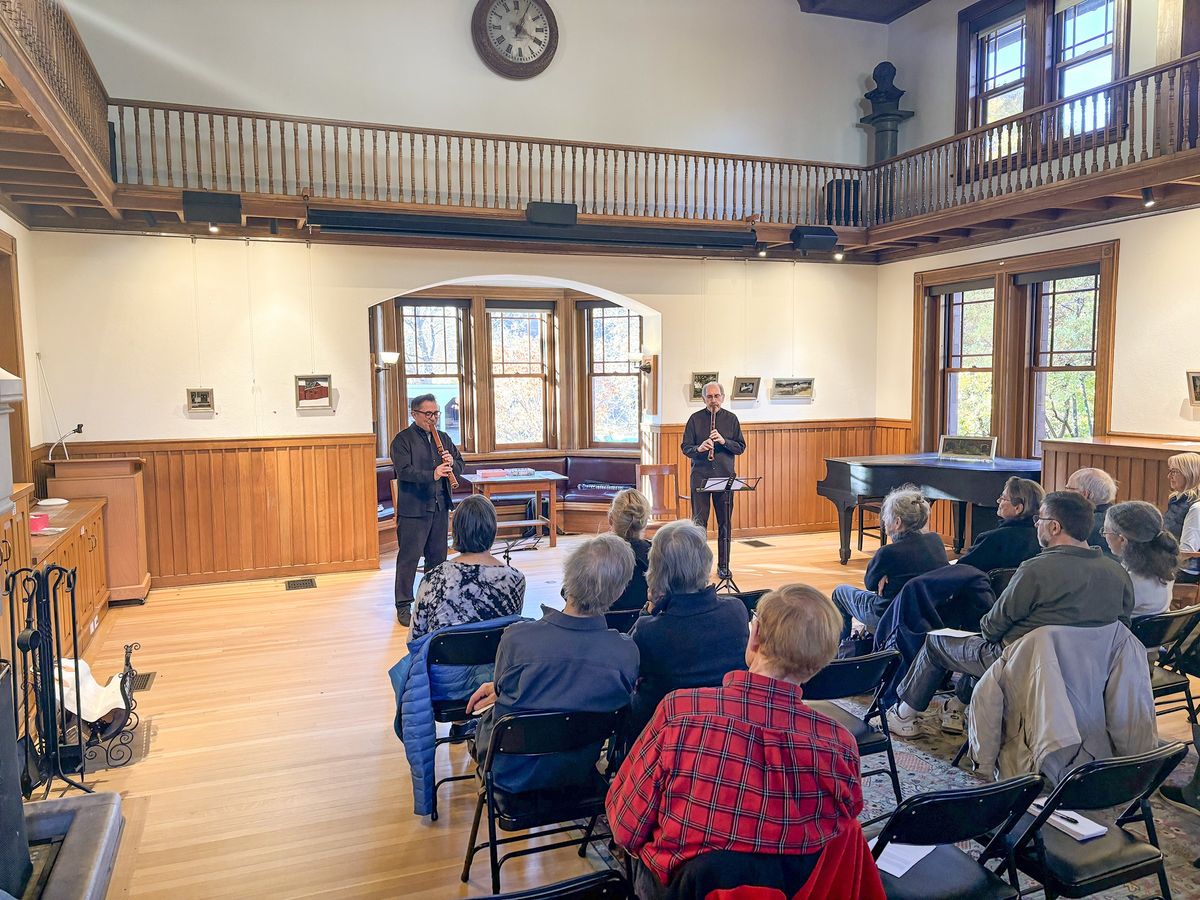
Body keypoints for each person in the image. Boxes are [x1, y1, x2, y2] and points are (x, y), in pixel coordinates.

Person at [607, 584, 871, 900]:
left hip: (680, 890)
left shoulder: (681, 710)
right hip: (789, 891)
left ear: (755, 635)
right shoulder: (838, 743)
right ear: (822, 661)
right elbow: (841, 832)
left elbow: (625, 826)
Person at [889, 490, 1133, 737]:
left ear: (1055, 527)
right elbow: (1123, 629)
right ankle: (957, 706)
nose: (1037, 525)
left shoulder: (1035, 570)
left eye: (1041, 519)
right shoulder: (1117, 572)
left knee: (938, 642)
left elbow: (991, 627)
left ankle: (903, 716)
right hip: (1088, 669)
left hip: (1021, 663)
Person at [464, 533, 639, 792]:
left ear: (566, 581)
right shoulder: (625, 653)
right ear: (619, 592)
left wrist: (499, 689)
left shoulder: (517, 638)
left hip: (511, 775)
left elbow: (506, 691)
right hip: (578, 773)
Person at [627, 520, 749, 733]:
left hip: (665, 733)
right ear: (705, 562)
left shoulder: (648, 630)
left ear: (656, 572)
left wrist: (649, 609)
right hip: (724, 728)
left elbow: (628, 669)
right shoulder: (736, 611)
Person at [831, 485, 948, 641]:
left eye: (886, 515)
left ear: (898, 522)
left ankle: (838, 654)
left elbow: (870, 584)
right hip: (929, 611)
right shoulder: (935, 540)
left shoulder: (887, 553)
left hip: (889, 613)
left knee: (840, 593)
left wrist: (884, 575)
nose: (884, 520)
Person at [391, 394, 465, 627]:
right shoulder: (402, 440)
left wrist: (452, 463)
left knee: (438, 558)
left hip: (439, 506)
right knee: (409, 559)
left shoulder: (443, 438)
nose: (433, 418)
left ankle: (433, 601)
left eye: (436, 414)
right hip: (414, 508)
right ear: (414, 414)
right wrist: (432, 474)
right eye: (428, 414)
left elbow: (461, 467)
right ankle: (403, 605)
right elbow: (404, 472)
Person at [409, 494, 526, 641]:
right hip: (495, 662)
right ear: (493, 529)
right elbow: (510, 633)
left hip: (443, 662)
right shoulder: (515, 579)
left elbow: (414, 640)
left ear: (456, 531)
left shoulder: (432, 579)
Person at [681, 381, 745, 578]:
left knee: (725, 523)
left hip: (725, 479)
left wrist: (724, 441)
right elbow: (685, 447)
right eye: (709, 397)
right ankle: (698, 568)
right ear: (704, 399)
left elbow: (741, 447)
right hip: (700, 478)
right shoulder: (694, 419)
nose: (713, 401)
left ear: (722, 398)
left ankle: (724, 566)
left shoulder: (732, 419)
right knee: (699, 525)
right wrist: (699, 449)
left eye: (717, 396)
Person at [1102, 501, 1178, 617]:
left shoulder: (1130, 583)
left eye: (1106, 531)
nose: (1104, 535)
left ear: (1122, 540)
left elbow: (1100, 614)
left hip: (1128, 633)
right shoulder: (1165, 568)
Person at [954, 477, 1044, 573]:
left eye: (1003, 498)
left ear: (1018, 508)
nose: (998, 501)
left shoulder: (991, 539)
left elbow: (960, 572)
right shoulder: (1045, 539)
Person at [608, 488, 652, 612]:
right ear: (645, 522)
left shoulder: (597, 555)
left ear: (611, 519)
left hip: (605, 624)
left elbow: (569, 593)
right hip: (646, 624)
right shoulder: (657, 555)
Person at [1164, 452, 1200, 584]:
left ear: (1189, 473)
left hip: (1184, 570)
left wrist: (1156, 563)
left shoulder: (1196, 507)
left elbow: (1187, 551)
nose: (1169, 476)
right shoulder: (1177, 499)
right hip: (1171, 562)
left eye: (1174, 472)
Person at [1066, 467, 1118, 556]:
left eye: (1068, 488)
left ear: (1084, 494)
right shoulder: (1120, 517)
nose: (1065, 492)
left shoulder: (1081, 525)